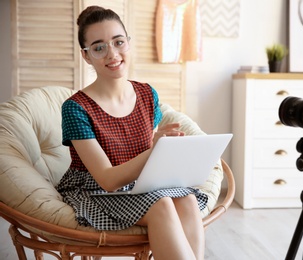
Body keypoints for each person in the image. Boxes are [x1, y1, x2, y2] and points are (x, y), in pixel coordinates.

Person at [56, 6, 207, 260]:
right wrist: (155, 150)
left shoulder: (148, 93)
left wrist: (168, 149)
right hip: (96, 189)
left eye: (118, 42)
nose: (112, 54)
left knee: (188, 200)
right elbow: (108, 179)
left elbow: (145, 155)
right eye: (99, 47)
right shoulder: (75, 108)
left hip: (139, 182)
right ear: (86, 56)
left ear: (128, 42)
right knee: (161, 205)